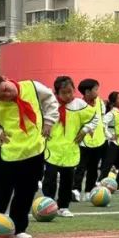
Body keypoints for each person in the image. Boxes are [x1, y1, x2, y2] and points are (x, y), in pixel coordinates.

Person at [0, 73, 58, 238]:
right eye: (1, 96)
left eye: (5, 89)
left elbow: (50, 101)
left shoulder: (33, 87)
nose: (7, 95)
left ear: (5, 79)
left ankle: (19, 227)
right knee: (0, 191)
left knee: (26, 191)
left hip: (34, 150)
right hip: (7, 154)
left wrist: (49, 122)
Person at [42, 75, 98, 217]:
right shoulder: (50, 104)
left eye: (70, 92)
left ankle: (63, 207)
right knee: (50, 179)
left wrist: (85, 130)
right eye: (64, 92)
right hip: (51, 149)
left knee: (67, 180)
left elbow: (94, 118)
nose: (68, 96)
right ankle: (47, 205)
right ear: (56, 92)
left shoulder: (79, 104)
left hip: (70, 149)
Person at [73, 78, 106, 201]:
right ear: (87, 92)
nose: (98, 92)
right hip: (83, 141)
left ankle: (89, 190)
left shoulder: (100, 102)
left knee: (93, 167)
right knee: (81, 167)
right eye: (96, 89)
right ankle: (75, 190)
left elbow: (101, 119)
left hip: (98, 140)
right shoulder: (78, 104)